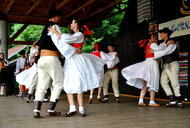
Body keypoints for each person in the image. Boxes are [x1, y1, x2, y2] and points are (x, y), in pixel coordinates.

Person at [48, 19, 105, 117]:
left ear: (77, 24)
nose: (71, 24)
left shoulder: (79, 35)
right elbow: (64, 44)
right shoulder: (72, 36)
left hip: (77, 61)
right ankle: (72, 108)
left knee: (79, 83)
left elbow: (64, 39)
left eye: (72, 22)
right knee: (68, 82)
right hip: (70, 60)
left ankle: (81, 108)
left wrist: (55, 32)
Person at [33, 8, 64, 118]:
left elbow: (40, 44)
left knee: (42, 85)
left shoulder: (44, 29)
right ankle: (51, 110)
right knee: (58, 83)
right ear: (54, 17)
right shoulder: (55, 27)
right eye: (58, 17)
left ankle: (36, 110)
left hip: (42, 59)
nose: (59, 19)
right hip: (52, 57)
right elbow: (60, 42)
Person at [121, 34, 164, 107]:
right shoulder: (153, 44)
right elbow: (160, 49)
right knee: (153, 81)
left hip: (147, 62)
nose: (155, 38)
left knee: (146, 83)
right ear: (149, 40)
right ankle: (152, 101)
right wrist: (164, 44)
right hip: (152, 63)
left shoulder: (147, 45)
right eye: (153, 37)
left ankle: (141, 100)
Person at [149, 27, 183, 108]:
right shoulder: (163, 44)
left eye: (162, 33)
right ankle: (172, 100)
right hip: (166, 65)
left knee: (174, 82)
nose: (160, 35)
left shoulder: (171, 43)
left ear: (166, 34)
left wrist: (154, 52)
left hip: (172, 64)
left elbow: (165, 52)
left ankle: (179, 101)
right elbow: (160, 49)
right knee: (163, 82)